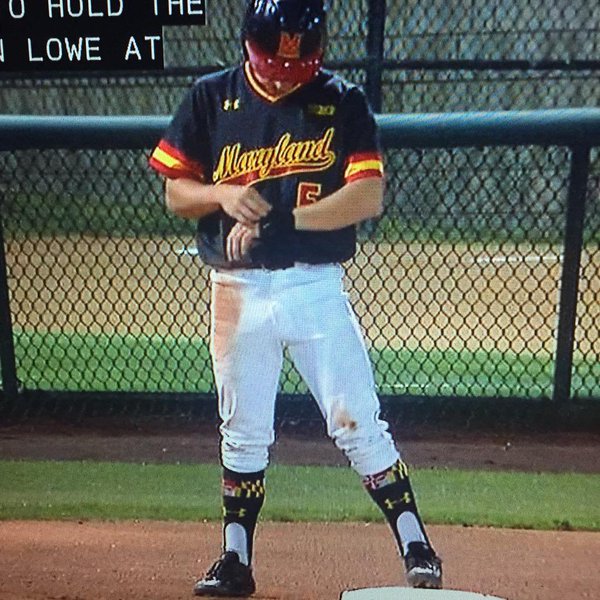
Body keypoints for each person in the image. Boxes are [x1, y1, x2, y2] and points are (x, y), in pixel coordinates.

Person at [149, 0, 442, 596]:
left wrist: (286, 219)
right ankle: (235, 561)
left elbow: (367, 196)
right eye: (272, 57)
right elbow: (176, 194)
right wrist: (221, 196)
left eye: (300, 59)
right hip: (236, 288)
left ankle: (417, 544)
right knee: (244, 429)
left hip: (313, 286)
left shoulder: (343, 100)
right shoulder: (212, 95)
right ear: (249, 44)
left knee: (357, 421)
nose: (285, 71)